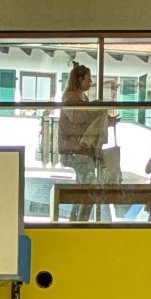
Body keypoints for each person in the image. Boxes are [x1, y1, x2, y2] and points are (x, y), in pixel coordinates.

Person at [59, 62, 112, 221]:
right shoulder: (70, 97)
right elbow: (78, 117)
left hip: (80, 150)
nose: (91, 82)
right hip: (76, 150)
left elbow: (87, 118)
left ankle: (76, 221)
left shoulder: (80, 97)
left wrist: (107, 119)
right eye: (88, 79)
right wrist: (96, 108)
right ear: (79, 79)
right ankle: (80, 221)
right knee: (89, 188)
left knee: (83, 188)